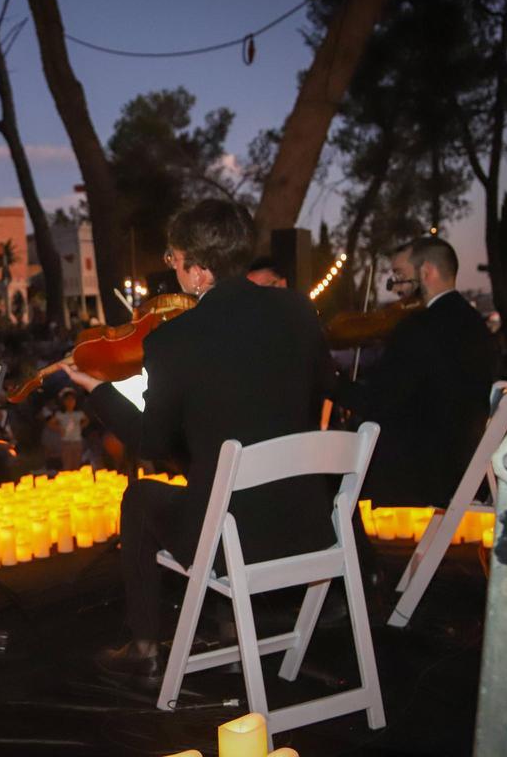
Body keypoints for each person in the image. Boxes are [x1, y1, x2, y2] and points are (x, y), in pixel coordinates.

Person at [61, 199, 335, 684]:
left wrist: (97, 389)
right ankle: (226, 624)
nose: (173, 267)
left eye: (174, 257)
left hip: (237, 538)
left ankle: (144, 645)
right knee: (209, 479)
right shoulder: (298, 310)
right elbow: (309, 397)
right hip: (309, 522)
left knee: (143, 495)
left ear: (199, 270)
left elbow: (151, 441)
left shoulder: (175, 340)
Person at [334, 237, 497, 509]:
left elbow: (376, 402)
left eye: (399, 275)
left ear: (426, 272)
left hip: (418, 474)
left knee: (328, 473)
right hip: (462, 462)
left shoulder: (418, 328)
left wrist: (329, 382)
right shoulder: (475, 325)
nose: (395, 287)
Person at [49, 389, 89, 470]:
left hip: (77, 441)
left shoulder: (78, 413)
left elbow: (87, 420)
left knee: (77, 463)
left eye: (72, 399)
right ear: (64, 401)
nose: (70, 402)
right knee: (67, 463)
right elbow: (50, 423)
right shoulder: (60, 414)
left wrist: (81, 426)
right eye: (68, 399)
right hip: (66, 442)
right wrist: (59, 429)